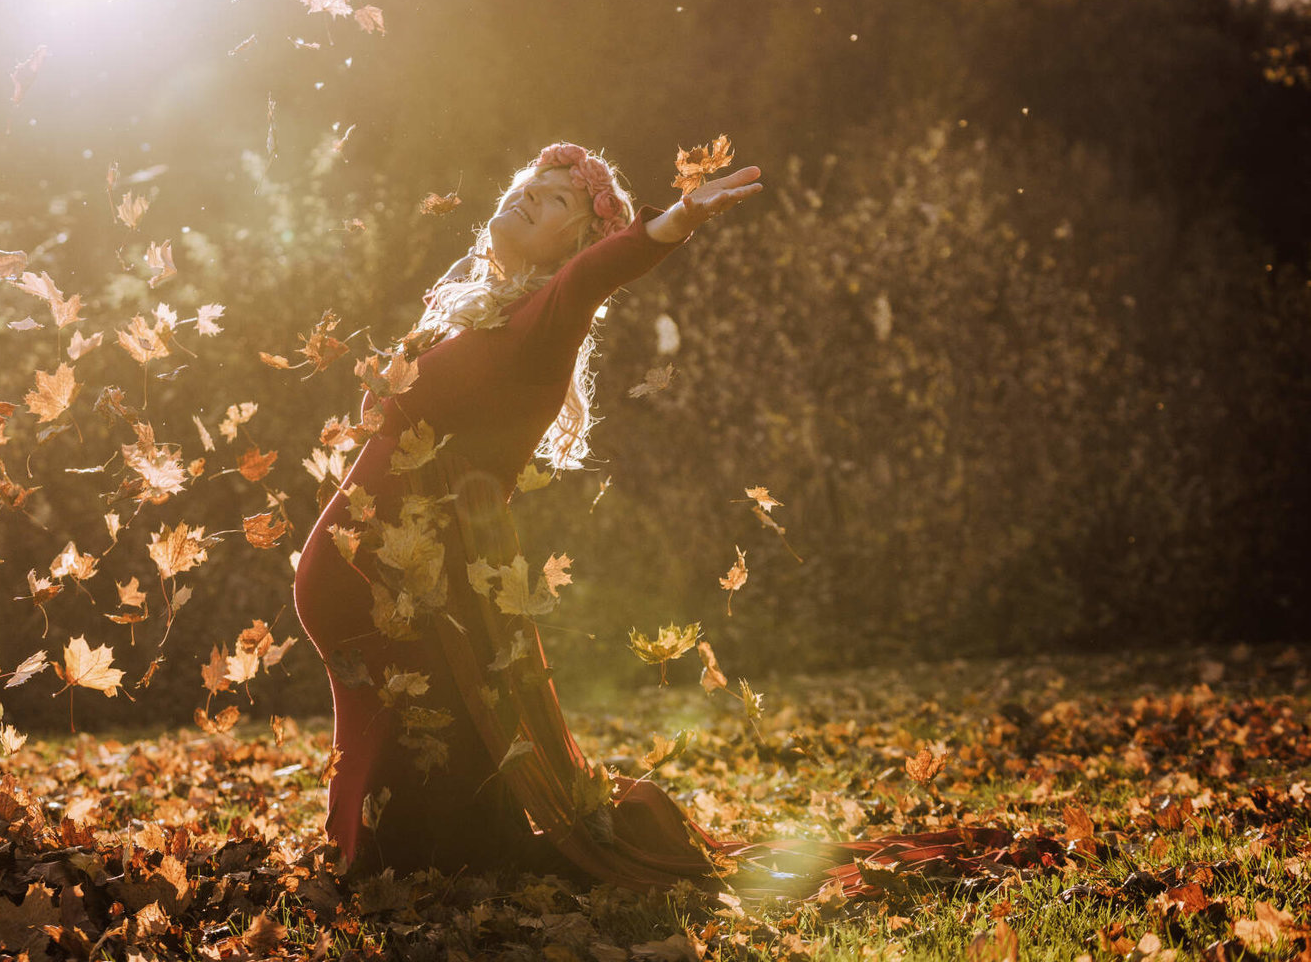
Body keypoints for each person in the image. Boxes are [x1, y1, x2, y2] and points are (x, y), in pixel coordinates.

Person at [292, 141, 1038, 897]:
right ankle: (401, 866)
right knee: (406, 782)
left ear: (578, 241)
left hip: (413, 599)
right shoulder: (468, 311)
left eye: (557, 201)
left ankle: (410, 870)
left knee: (424, 806)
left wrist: (674, 221)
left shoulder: (546, 319)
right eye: (532, 184)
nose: (531, 196)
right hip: (381, 581)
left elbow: (595, 275)